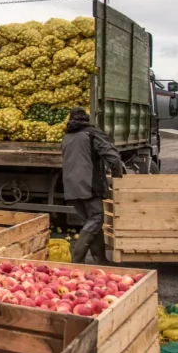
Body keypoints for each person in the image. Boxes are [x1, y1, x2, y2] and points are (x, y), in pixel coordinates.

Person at [61, 107, 122, 265]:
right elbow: (113, 157)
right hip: (88, 185)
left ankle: (100, 259)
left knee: (90, 221)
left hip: (71, 186)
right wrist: (118, 179)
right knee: (96, 218)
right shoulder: (92, 134)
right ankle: (77, 260)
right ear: (86, 119)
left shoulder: (67, 137)